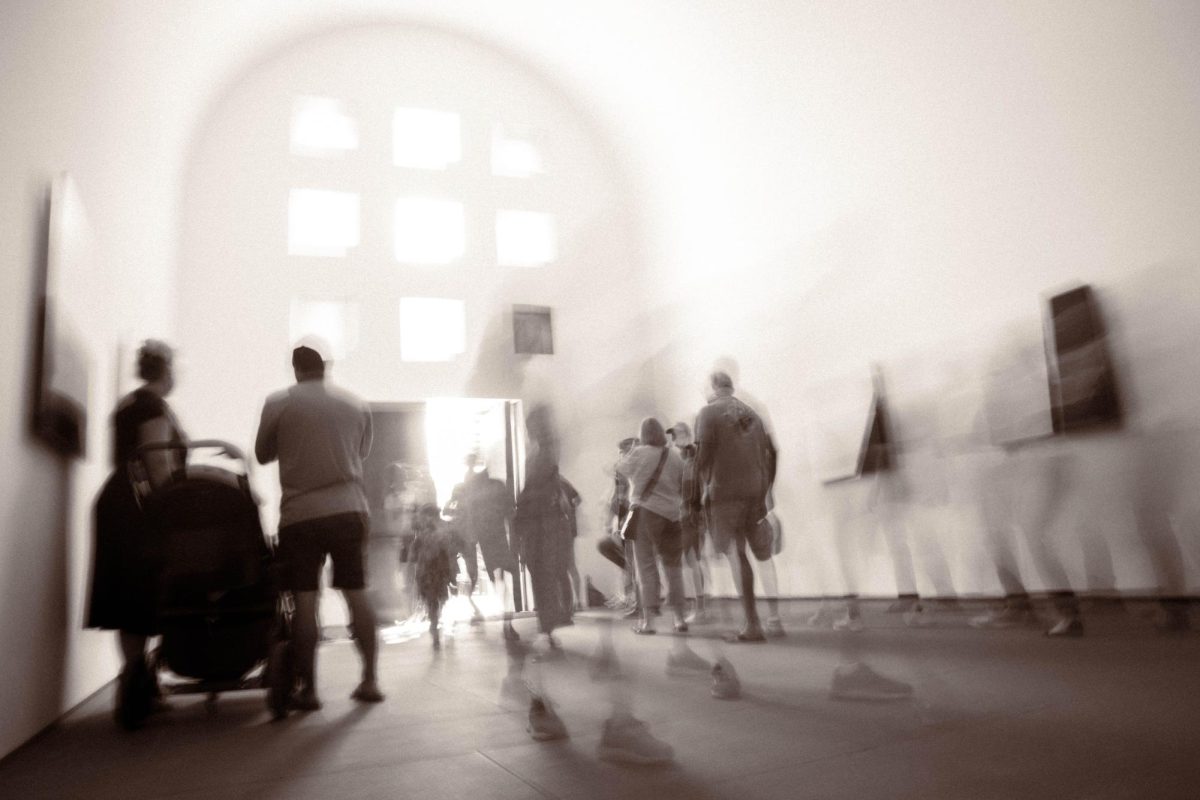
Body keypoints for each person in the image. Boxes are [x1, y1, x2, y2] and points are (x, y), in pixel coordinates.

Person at [255, 340, 383, 710]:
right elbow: (361, 453)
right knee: (356, 593)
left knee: (305, 600)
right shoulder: (355, 403)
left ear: (295, 370)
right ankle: (370, 680)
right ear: (326, 368)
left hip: (301, 514)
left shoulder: (280, 402)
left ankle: (309, 691)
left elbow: (263, 455)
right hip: (348, 509)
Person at [87, 340, 187, 729]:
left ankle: (137, 680)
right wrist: (175, 507)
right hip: (140, 504)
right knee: (143, 592)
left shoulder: (127, 405)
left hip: (116, 501)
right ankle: (135, 685)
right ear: (165, 371)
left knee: (128, 597)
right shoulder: (151, 406)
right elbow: (157, 457)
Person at [689, 371, 776, 642]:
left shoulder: (708, 413)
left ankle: (752, 624)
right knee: (754, 554)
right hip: (755, 490)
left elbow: (702, 456)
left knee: (736, 554)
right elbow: (772, 451)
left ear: (714, 387)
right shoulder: (752, 412)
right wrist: (767, 488)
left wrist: (696, 491)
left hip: (725, 492)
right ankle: (767, 620)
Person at [617, 418, 687, 634]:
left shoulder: (639, 452)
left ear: (643, 434)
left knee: (645, 567)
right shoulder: (675, 456)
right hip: (672, 516)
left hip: (646, 514)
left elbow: (620, 468)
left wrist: (633, 451)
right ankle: (680, 619)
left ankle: (648, 623)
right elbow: (681, 482)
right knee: (674, 568)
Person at [513, 404, 573, 652]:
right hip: (542, 525)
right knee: (544, 576)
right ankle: (548, 627)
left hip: (540, 527)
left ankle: (548, 627)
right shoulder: (544, 453)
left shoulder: (542, 454)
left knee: (543, 577)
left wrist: (520, 514)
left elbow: (534, 493)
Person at [446, 454, 521, 640]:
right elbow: (510, 512)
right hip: (496, 539)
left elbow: (469, 518)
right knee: (502, 579)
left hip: (488, 541)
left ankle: (507, 621)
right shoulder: (494, 486)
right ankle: (507, 622)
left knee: (499, 580)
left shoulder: (472, 491)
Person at [666, 422, 712, 624]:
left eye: (677, 436)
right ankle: (697, 606)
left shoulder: (692, 456)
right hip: (686, 514)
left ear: (685, 435)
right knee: (691, 561)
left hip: (691, 515)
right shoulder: (683, 457)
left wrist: (694, 509)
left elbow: (698, 486)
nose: (674, 440)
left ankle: (699, 607)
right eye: (673, 437)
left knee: (692, 561)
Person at [411, 503, 455, 649]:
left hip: (430, 572)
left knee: (434, 602)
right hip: (434, 572)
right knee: (435, 601)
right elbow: (447, 554)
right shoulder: (438, 534)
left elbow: (413, 556)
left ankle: (434, 624)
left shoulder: (424, 536)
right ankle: (435, 625)